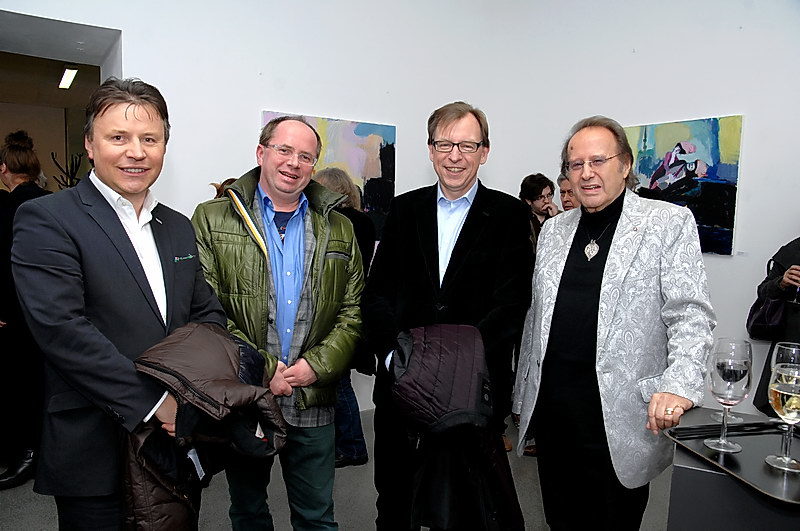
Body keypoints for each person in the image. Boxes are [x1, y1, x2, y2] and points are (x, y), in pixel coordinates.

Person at [10, 77, 226, 529]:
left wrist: (193, 394)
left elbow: (206, 315)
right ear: (90, 144)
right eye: (118, 138)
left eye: (150, 139)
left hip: (174, 445)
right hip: (95, 445)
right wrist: (157, 402)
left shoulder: (177, 226)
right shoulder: (47, 218)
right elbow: (62, 331)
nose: (136, 152)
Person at [514, 115, 715, 530]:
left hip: (618, 421)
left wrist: (678, 383)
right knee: (560, 521)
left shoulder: (667, 223)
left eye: (598, 161)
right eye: (576, 164)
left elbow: (691, 314)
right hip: (555, 419)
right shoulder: (554, 231)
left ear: (624, 165)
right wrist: (522, 399)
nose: (586, 173)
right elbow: (537, 319)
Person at [362, 101, 532, 530]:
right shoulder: (403, 210)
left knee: (466, 510)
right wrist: (394, 358)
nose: (455, 156)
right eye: (445, 144)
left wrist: (454, 366)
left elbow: (512, 304)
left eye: (467, 145)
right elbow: (377, 293)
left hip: (471, 393)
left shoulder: (510, 215)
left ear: (484, 152)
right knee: (395, 503)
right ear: (430, 149)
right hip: (401, 387)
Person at [192, 115, 364, 530]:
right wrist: (265, 369)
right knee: (249, 512)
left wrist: (316, 367)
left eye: (305, 156)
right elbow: (206, 310)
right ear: (261, 152)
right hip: (247, 397)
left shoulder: (339, 227)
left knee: (317, 517)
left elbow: (352, 311)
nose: (293, 163)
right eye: (284, 150)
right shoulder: (213, 219)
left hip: (313, 396)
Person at [314, 167, 375, 468]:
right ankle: (347, 444)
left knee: (338, 381)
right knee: (339, 379)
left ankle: (352, 446)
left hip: (338, 308)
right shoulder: (364, 222)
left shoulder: (337, 222)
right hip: (354, 306)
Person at [0, 131, 50, 490]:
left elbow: (7, 266)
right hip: (51, 311)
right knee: (44, 383)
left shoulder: (10, 208)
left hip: (17, 313)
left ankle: (27, 454)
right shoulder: (54, 202)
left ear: (5, 168)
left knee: (20, 385)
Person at [750, 237, 800, 415]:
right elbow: (763, 291)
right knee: (786, 414)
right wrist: (781, 283)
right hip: (792, 348)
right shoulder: (794, 249)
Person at [518, 173, 559, 251]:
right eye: (540, 197)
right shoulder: (520, 219)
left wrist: (556, 218)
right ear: (528, 200)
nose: (547, 201)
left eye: (549, 195)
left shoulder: (560, 216)